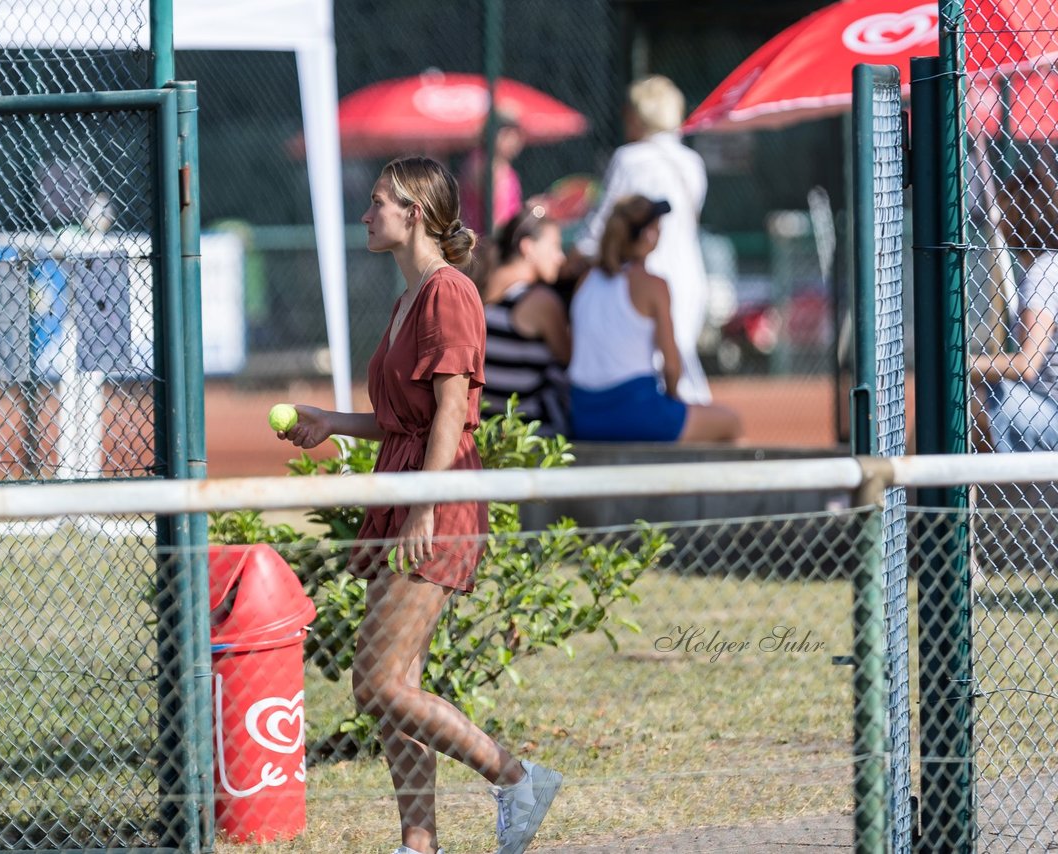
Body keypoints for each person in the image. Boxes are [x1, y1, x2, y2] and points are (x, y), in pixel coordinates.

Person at [277, 156, 562, 854]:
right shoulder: (410, 297)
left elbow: (453, 412)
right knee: (393, 684)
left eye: (377, 202)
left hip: (433, 501)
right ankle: (419, 842)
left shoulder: (449, 292)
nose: (367, 213)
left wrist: (424, 509)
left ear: (414, 212)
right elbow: (406, 416)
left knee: (376, 683)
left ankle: (517, 777)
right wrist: (331, 420)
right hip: (406, 489)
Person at [574, 74, 713, 405]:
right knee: (677, 362)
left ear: (638, 115)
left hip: (639, 278)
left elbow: (603, 226)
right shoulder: (693, 163)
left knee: (642, 368)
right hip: (689, 276)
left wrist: (574, 259)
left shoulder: (630, 158)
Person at [569, 195, 740, 443]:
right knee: (731, 422)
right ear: (649, 235)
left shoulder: (585, 281)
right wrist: (673, 401)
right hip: (636, 412)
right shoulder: (653, 285)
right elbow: (672, 366)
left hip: (584, 416)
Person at [972, 166, 1058, 452]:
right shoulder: (1049, 266)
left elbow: (1026, 365)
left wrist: (960, 364)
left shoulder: (1042, 274)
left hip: (1050, 413)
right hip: (1046, 409)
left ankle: (936, 491)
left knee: (983, 397)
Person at [481, 204, 571, 436]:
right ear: (528, 247)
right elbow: (570, 358)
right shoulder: (540, 301)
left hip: (485, 430)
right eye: (554, 247)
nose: (560, 258)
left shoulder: (482, 285)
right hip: (530, 435)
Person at [459, 114, 525, 235]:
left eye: (516, 135)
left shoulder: (505, 168)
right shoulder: (478, 163)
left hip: (504, 239)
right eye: (508, 135)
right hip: (483, 241)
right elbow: (496, 214)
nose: (515, 141)